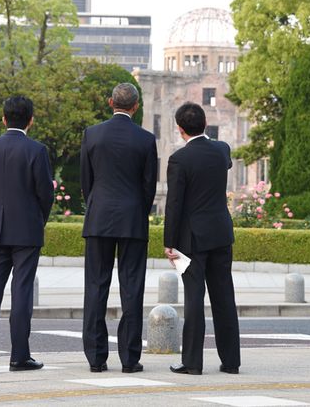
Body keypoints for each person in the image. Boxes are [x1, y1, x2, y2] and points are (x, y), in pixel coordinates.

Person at [81, 82, 157, 373]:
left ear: (110, 102)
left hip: (99, 216)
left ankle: (96, 358)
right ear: (135, 107)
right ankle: (129, 358)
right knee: (132, 289)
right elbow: (149, 186)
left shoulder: (92, 134)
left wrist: (96, 204)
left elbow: (87, 181)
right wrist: (138, 208)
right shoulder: (145, 139)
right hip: (133, 218)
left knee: (96, 287)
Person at [0, 96, 54, 372]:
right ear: (31, 120)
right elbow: (46, 194)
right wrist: (37, 219)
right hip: (27, 230)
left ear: (3, 118)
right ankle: (19, 356)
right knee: (21, 292)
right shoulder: (37, 150)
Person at [164, 102, 240, 375]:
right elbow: (226, 162)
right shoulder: (222, 150)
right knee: (224, 297)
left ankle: (192, 362)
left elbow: (174, 203)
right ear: (206, 124)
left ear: (180, 129)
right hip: (221, 233)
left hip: (191, 240)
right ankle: (231, 361)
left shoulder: (179, 159)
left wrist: (168, 242)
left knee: (194, 298)